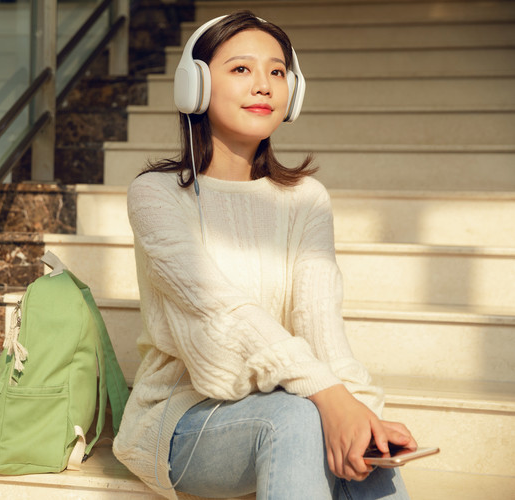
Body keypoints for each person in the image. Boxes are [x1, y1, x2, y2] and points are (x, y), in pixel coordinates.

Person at [112, 11, 418, 500]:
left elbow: (322, 329)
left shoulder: (306, 198)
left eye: (277, 72)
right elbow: (222, 316)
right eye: (240, 69)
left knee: (357, 435)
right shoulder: (157, 195)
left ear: (292, 92)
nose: (264, 86)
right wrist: (328, 398)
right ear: (194, 86)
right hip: (182, 420)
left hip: (288, 399)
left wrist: (359, 412)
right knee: (299, 415)